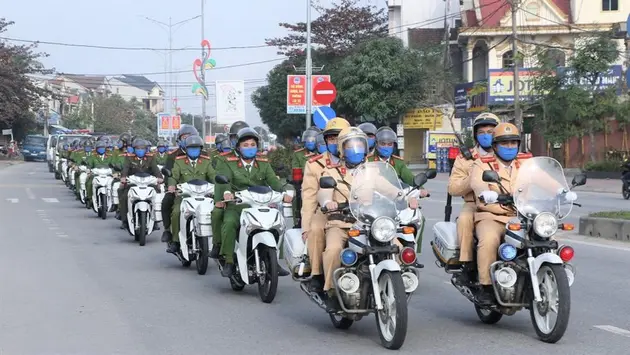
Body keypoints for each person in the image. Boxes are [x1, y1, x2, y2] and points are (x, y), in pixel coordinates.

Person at [317, 126, 419, 312]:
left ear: (365, 148)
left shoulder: (371, 172)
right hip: (340, 223)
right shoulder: (331, 172)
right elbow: (323, 194)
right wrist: (327, 202)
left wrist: (405, 197)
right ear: (342, 149)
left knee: (398, 247)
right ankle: (331, 292)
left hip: (369, 223)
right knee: (333, 250)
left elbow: (389, 188)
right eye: (350, 146)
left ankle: (399, 284)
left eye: (359, 145)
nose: (355, 150)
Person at [214, 127, 292, 277]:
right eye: (245, 145)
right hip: (238, 205)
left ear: (257, 146)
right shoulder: (228, 162)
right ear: (238, 147)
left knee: (278, 222)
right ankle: (229, 260)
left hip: (261, 203)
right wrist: (227, 193)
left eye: (252, 145)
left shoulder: (263, 163)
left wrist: (284, 192)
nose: (249, 148)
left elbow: (273, 182)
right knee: (229, 223)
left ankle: (274, 261)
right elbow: (224, 181)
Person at [469, 122, 533, 304]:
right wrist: (486, 194)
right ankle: (486, 287)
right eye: (505, 143)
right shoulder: (482, 164)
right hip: (492, 215)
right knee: (488, 240)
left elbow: (543, 180)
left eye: (513, 142)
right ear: (495, 146)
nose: (510, 147)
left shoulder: (526, 163)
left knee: (546, 237)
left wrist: (561, 190)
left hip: (524, 216)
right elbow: (477, 184)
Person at [448, 113, 500, 283]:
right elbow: (453, 188)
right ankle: (467, 264)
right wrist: (472, 179)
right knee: (464, 219)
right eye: (482, 132)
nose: (487, 135)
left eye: (491, 131)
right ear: (476, 135)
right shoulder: (466, 158)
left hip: (507, 203)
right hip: (474, 203)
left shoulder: (508, 152)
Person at [300, 117, 351, 294]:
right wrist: (305, 226)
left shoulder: (360, 160)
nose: (335, 142)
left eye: (339, 138)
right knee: (315, 229)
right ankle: (316, 274)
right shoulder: (315, 164)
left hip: (357, 212)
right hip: (327, 211)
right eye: (331, 138)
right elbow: (309, 197)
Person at [166, 135, 216, 254]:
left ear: (200, 149)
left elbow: (213, 176)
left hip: (203, 196)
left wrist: (219, 187)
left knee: (213, 213)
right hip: (184, 196)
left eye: (196, 148)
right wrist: (172, 186)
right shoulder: (179, 161)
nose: (194, 150)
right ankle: (175, 241)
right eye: (191, 148)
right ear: (186, 149)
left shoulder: (206, 161)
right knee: (176, 212)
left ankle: (215, 243)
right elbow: (174, 176)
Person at [161, 125, 200, 243]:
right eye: (184, 137)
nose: (187, 139)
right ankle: (168, 231)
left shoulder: (204, 154)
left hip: (201, 191)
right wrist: (171, 187)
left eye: (190, 137)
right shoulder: (173, 155)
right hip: (179, 191)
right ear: (179, 140)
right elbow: (169, 174)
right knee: (167, 202)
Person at [119, 139, 164, 230]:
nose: (140, 150)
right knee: (124, 196)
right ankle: (124, 220)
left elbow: (155, 170)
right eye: (138, 148)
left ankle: (155, 220)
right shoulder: (129, 158)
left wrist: (160, 178)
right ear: (134, 149)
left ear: (146, 149)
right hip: (133, 182)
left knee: (157, 194)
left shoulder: (151, 158)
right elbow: (125, 169)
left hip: (148, 183)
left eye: (142, 148)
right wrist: (123, 177)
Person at [85, 140, 115, 205]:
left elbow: (113, 165)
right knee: (89, 182)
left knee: (114, 184)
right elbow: (89, 164)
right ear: (96, 149)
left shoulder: (110, 156)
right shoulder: (93, 156)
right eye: (99, 148)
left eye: (103, 148)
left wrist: (114, 172)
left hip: (107, 174)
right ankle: (89, 198)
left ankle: (114, 200)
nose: (101, 149)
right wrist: (88, 170)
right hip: (96, 174)